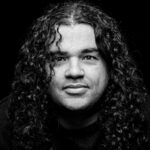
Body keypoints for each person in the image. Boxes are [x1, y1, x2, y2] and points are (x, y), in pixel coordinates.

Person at [0, 1, 149, 150]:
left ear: (111, 67)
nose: (74, 72)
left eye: (89, 57)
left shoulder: (143, 116)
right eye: (59, 59)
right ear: (39, 68)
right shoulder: (8, 119)